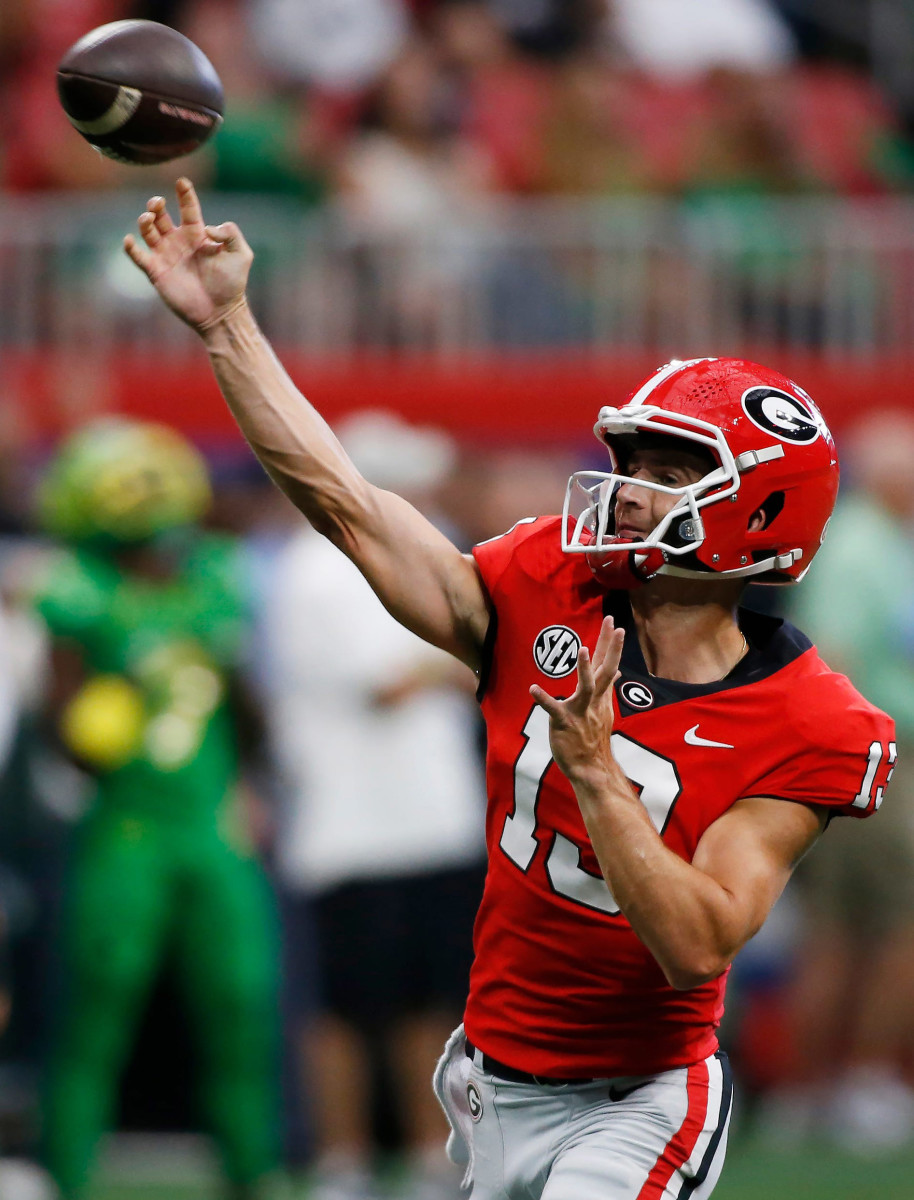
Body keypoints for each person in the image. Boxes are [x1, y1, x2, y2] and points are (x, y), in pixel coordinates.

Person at [123, 180, 895, 1200]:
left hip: (642, 1098)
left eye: (670, 468)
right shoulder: (546, 586)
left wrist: (593, 769)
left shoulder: (809, 718)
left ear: (757, 513)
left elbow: (696, 942)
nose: (628, 488)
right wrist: (227, 326)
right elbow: (348, 508)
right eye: (633, 460)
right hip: (491, 1081)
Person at [31, 419, 281, 1199]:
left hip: (211, 827)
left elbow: (250, 710)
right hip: (127, 830)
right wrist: (95, 719)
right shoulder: (80, 589)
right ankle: (66, 1174)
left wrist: (254, 782)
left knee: (240, 1007)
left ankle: (256, 1174)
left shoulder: (215, 575)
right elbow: (65, 738)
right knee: (96, 1013)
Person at [262, 410, 486, 1200]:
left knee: (430, 996)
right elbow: (388, 678)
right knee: (349, 1005)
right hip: (353, 825)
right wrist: (472, 658)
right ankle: (344, 1157)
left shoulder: (362, 564)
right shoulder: (321, 568)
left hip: (425, 816)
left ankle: (429, 1154)